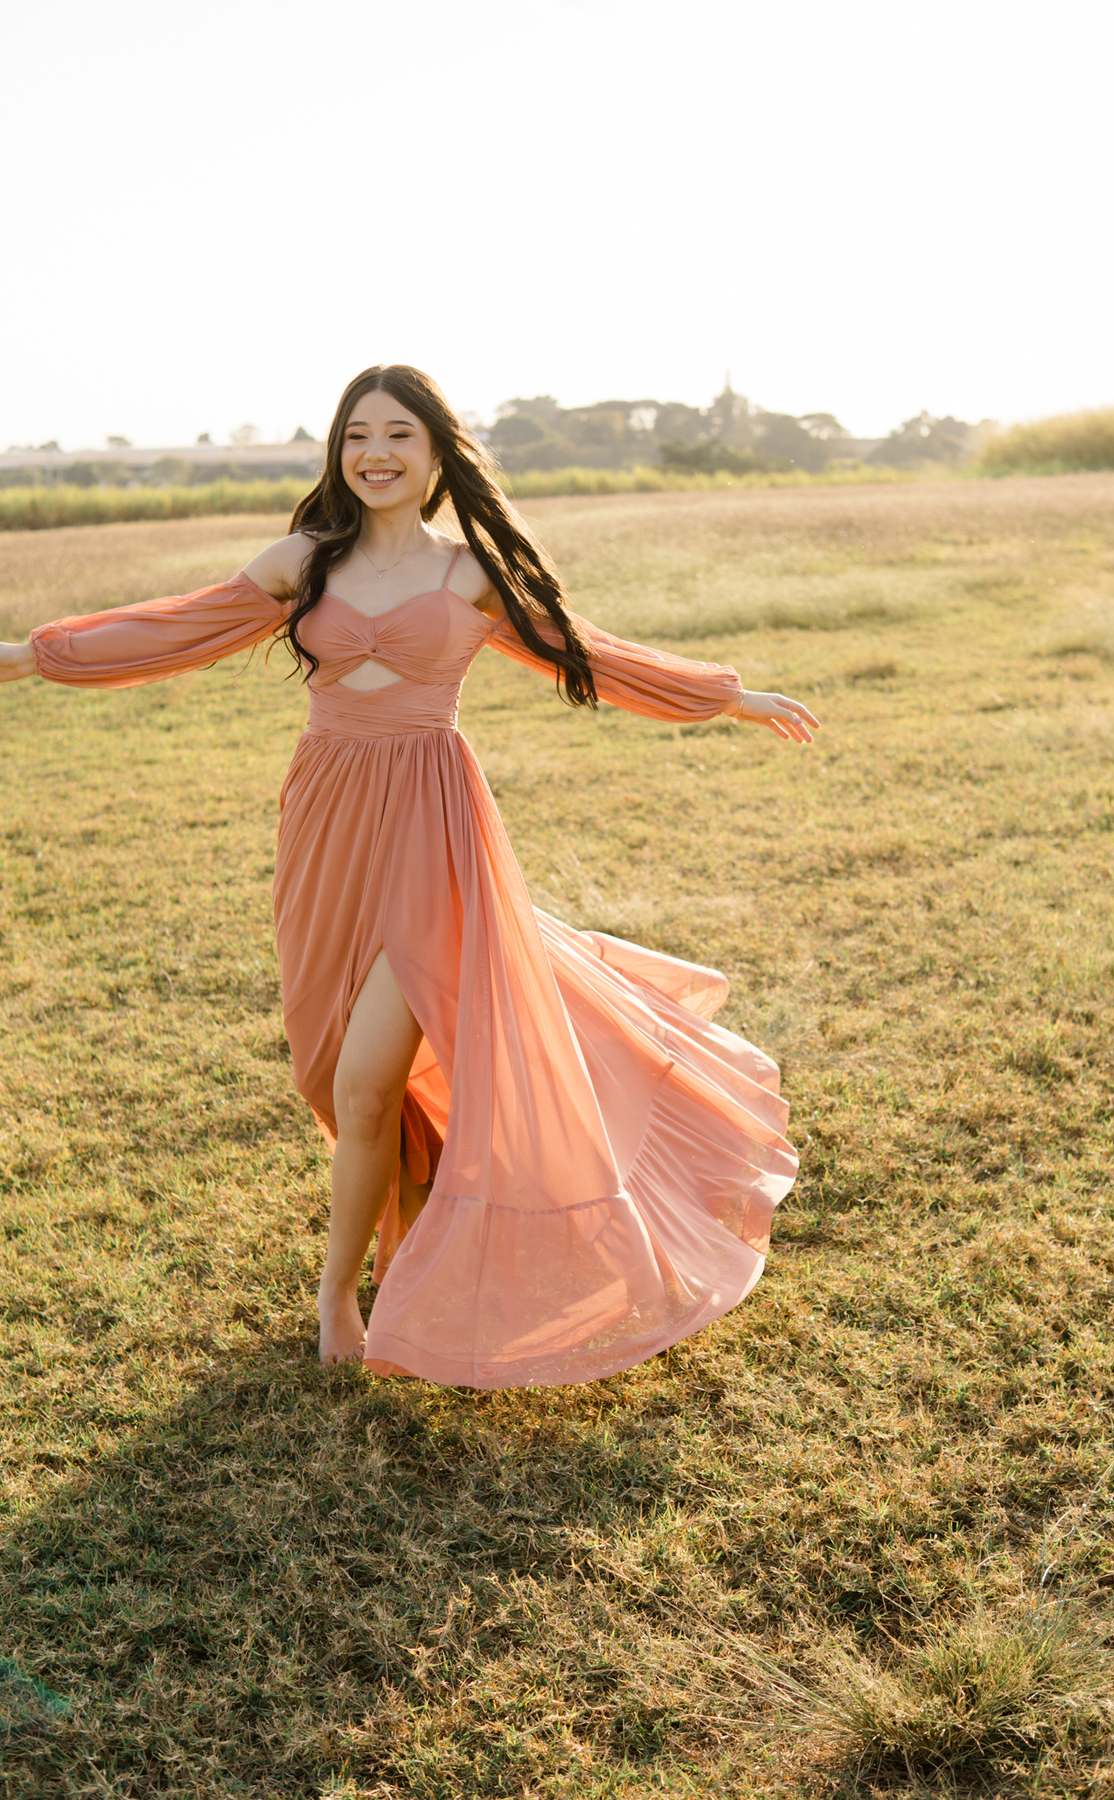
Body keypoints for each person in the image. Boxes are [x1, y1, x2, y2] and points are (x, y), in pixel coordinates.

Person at [0, 365, 820, 1389]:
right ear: (338, 454)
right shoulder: (307, 561)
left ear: (437, 455)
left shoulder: (471, 573)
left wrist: (727, 697)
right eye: (356, 436)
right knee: (330, 1073)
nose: (375, 454)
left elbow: (589, 656)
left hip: (434, 821)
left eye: (398, 435)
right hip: (327, 822)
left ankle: (340, 1290)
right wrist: (30, 658)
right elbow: (172, 628)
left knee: (367, 1077)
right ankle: (412, 1219)